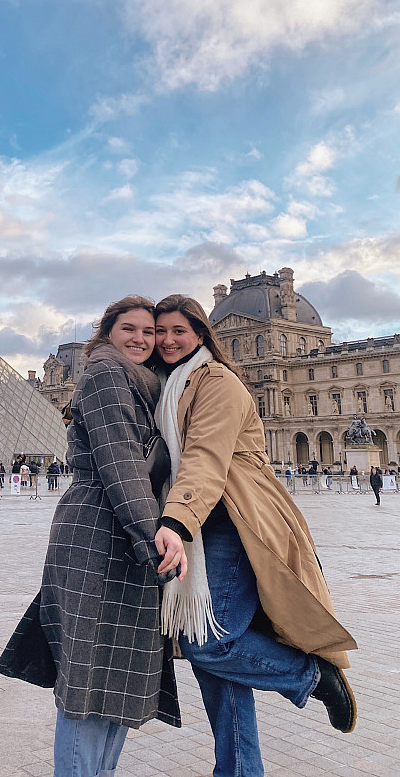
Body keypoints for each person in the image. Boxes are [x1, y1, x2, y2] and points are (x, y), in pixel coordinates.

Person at [152, 295, 358, 777]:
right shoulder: (169, 385)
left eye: (178, 330)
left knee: (209, 645)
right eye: (160, 331)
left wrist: (177, 521)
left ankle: (310, 676)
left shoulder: (218, 382)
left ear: (202, 334)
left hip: (233, 523)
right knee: (214, 663)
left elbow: (204, 457)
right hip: (200, 523)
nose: (166, 340)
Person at [0, 296, 180, 777]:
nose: (142, 338)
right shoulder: (103, 374)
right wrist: (152, 539)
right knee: (89, 676)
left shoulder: (147, 384)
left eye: (150, 331)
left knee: (121, 680)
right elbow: (120, 461)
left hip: (126, 530)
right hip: (101, 532)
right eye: (130, 329)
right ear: (107, 334)